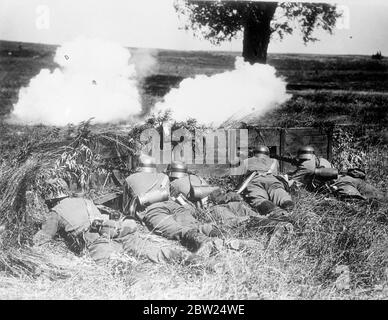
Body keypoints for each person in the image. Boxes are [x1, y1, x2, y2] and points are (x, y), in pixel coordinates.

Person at [33, 178, 192, 265]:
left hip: (99, 243)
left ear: (49, 199)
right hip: (121, 233)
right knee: (159, 253)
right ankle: (194, 260)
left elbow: (41, 241)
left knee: (117, 268)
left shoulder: (55, 212)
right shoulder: (86, 201)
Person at [167, 160, 294, 248]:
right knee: (241, 213)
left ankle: (271, 226)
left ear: (171, 172)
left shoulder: (173, 184)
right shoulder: (190, 179)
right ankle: (273, 224)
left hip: (212, 209)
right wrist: (226, 195)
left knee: (240, 216)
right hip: (213, 208)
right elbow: (206, 194)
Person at [122, 155, 221, 257]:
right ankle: (218, 234)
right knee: (193, 224)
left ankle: (204, 241)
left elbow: (126, 208)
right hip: (174, 206)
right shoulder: (163, 177)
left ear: (137, 165)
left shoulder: (129, 179)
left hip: (154, 209)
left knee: (175, 229)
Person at [287, 146, 385, 202]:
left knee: (358, 202)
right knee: (380, 196)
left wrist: (288, 174)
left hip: (339, 184)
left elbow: (291, 180)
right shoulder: (321, 159)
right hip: (348, 178)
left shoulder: (306, 166)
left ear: (300, 156)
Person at [241, 146, 295, 217]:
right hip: (272, 180)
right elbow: (276, 173)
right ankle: (287, 204)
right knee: (279, 192)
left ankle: (271, 210)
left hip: (255, 181)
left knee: (258, 197)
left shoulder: (246, 161)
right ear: (267, 154)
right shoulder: (275, 161)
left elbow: (241, 178)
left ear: (254, 153)